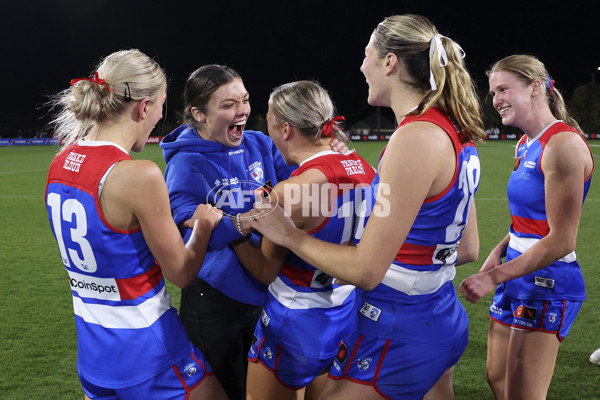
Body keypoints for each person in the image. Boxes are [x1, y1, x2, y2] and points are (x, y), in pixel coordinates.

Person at [245, 14, 485, 400]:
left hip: (399, 325)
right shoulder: (454, 127)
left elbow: (366, 271)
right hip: (440, 313)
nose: (361, 65)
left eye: (367, 55)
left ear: (390, 62)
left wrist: (288, 235)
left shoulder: (415, 137)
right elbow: (468, 248)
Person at [45, 49, 227, 399]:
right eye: (160, 106)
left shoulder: (61, 162)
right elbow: (182, 273)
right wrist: (203, 224)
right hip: (149, 352)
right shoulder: (137, 175)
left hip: (95, 357)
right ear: (143, 107)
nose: (159, 116)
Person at [160, 65, 349, 400]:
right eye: (228, 105)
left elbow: (298, 180)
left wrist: (326, 153)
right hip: (216, 303)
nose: (242, 111)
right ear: (199, 114)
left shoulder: (260, 144)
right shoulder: (186, 162)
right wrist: (242, 223)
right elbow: (183, 225)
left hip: (267, 293)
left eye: (244, 100)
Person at [459, 55, 594, 400]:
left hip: (548, 283)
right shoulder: (525, 144)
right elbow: (527, 223)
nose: (496, 99)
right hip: (517, 271)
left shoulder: (562, 144)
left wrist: (492, 277)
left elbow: (561, 240)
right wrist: (497, 254)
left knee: (523, 394)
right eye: (493, 92)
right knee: (497, 378)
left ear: (536, 87)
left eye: (504, 89)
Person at [230, 80, 376, 400]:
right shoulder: (366, 169)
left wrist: (230, 231)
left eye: (267, 119)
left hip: (294, 318)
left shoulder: (292, 192)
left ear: (285, 129)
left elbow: (266, 270)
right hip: (344, 312)